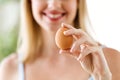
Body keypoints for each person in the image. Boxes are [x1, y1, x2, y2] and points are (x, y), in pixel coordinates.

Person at [0, 0, 120, 80]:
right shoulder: (9, 69)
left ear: (78, 2)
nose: (54, 4)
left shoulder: (110, 60)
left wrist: (103, 76)